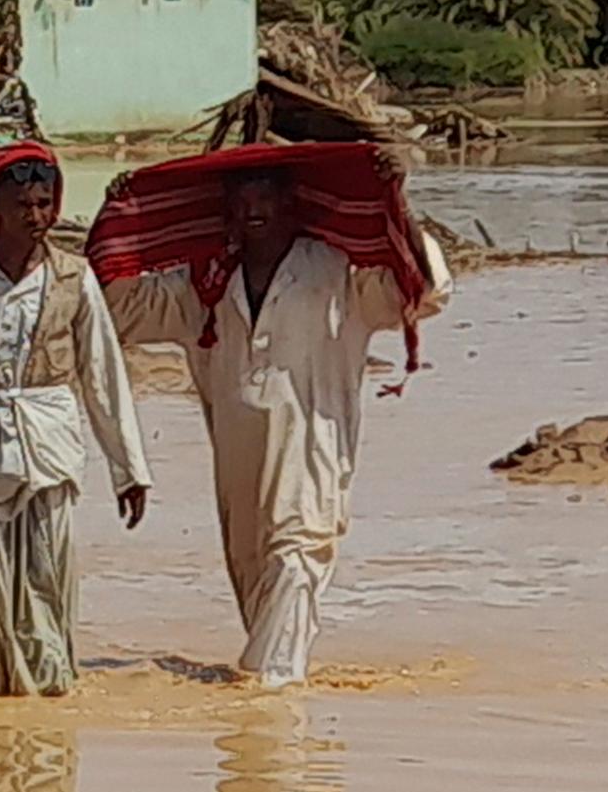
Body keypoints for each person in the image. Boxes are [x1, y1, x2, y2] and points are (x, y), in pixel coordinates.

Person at [107, 164, 431, 688]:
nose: (254, 211)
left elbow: (416, 288)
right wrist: (121, 218)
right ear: (227, 213)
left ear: (291, 206)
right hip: (238, 460)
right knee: (256, 576)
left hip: (312, 450)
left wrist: (400, 207)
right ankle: (262, 708)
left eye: (266, 199)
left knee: (296, 558)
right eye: (242, 201)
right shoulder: (205, 282)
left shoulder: (335, 273)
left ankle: (272, 707)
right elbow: (119, 309)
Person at [0, 144, 150, 698]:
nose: (35, 217)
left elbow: (103, 377)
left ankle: (33, 716)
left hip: (48, 445)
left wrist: (128, 470)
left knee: (43, 584)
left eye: (44, 203)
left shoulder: (74, 279)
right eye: (22, 205)